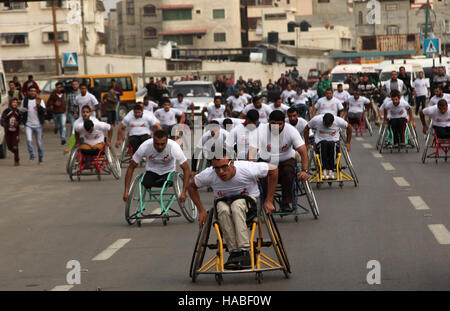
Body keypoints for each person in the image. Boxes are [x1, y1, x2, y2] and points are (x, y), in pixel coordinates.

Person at [188, 150, 278, 270]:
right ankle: (234, 252)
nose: (220, 172)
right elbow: (191, 186)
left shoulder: (247, 168)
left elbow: (273, 170)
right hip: (224, 203)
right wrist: (201, 210)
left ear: (232, 162)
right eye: (217, 168)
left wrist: (269, 200)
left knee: (237, 205)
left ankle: (245, 250)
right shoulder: (209, 174)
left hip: (249, 203)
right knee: (222, 209)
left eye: (224, 167)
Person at [248, 110, 309, 212]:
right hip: (266, 159)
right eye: (273, 124)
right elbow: (252, 153)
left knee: (288, 171)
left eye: (279, 124)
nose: (276, 127)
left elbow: (303, 151)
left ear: (284, 123)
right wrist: (252, 172)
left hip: (286, 159)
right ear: (269, 122)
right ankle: (267, 202)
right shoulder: (260, 131)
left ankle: (286, 203)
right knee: (261, 175)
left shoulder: (291, 131)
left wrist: (304, 170)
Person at [123, 130, 191, 208]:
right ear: (153, 141)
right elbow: (131, 167)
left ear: (167, 141)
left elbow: (186, 169)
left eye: (162, 144)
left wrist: (183, 192)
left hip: (169, 174)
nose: (159, 147)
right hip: (151, 173)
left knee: (169, 178)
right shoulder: (145, 146)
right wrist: (126, 191)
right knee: (143, 181)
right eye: (157, 144)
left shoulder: (174, 147)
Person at [304, 113, 352, 180]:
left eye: (328, 125)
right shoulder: (316, 120)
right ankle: (324, 169)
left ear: (333, 122)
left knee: (332, 144)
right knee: (324, 143)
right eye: (325, 125)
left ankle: (331, 170)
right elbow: (306, 129)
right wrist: (307, 143)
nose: (326, 127)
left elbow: (349, 127)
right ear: (322, 121)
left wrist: (348, 143)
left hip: (334, 143)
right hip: (320, 143)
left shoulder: (338, 121)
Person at [20, 86, 46, 163]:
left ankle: (40, 157)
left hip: (38, 125)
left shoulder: (39, 100)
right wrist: (21, 112)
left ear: (36, 92)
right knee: (28, 140)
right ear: (28, 92)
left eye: (34, 91)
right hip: (28, 124)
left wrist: (38, 105)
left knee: (39, 143)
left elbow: (44, 111)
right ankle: (32, 154)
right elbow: (21, 111)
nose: (32, 92)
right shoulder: (24, 101)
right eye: (31, 91)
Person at [1, 98, 21, 165]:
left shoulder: (18, 111)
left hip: (15, 131)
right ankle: (12, 149)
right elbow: (2, 119)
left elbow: (21, 120)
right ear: (10, 103)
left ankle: (16, 160)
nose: (15, 104)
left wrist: (18, 123)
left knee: (15, 146)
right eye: (13, 102)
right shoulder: (7, 111)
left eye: (16, 102)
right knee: (10, 146)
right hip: (8, 131)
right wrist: (5, 125)